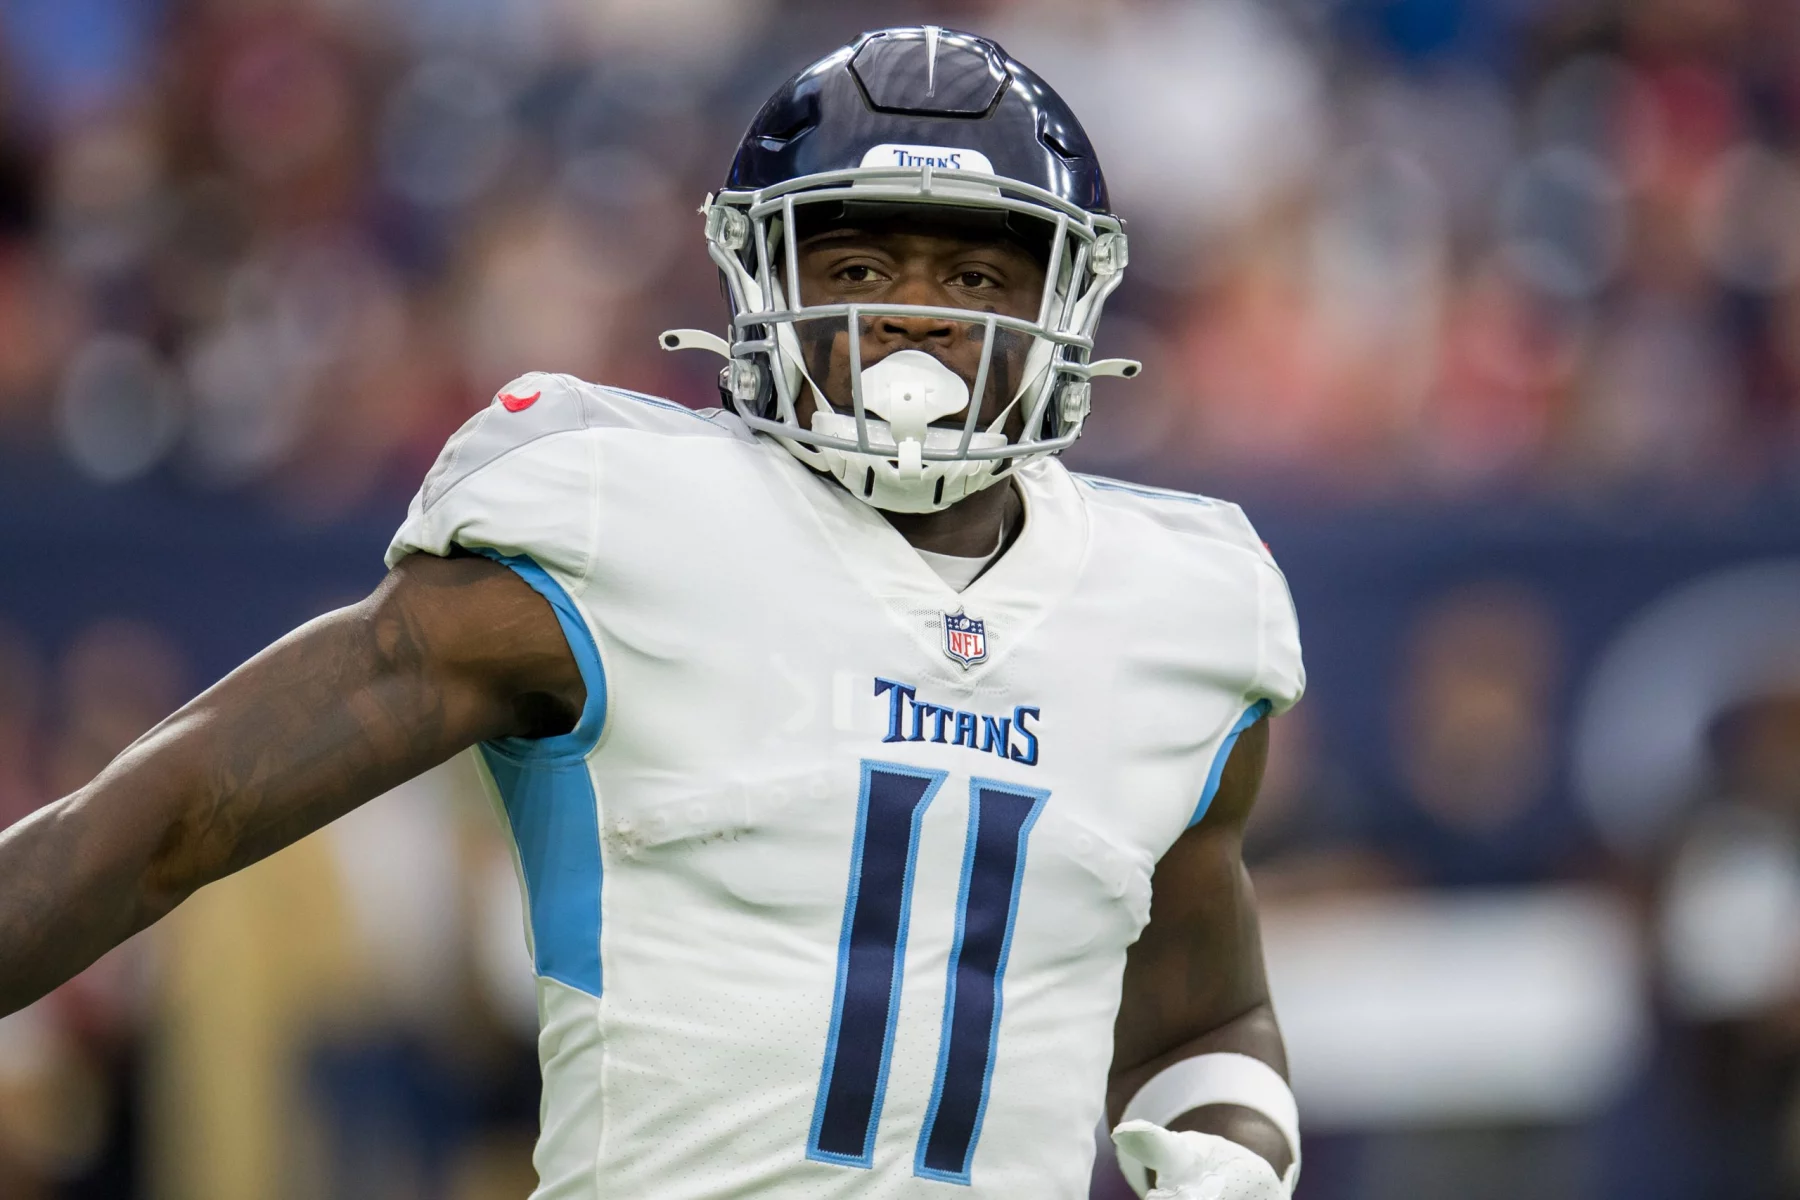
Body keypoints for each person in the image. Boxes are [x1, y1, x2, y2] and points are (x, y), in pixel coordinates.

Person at [0, 27, 1305, 1200]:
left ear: (1065, 302)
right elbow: (162, 822)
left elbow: (1204, 1018)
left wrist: (1226, 1159)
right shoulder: (615, 523)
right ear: (763, 283)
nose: (918, 319)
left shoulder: (1178, 610)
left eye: (975, 277)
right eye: (858, 262)